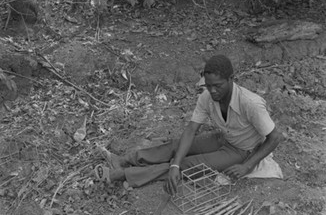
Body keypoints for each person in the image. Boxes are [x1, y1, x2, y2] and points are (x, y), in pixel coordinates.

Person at [94, 55, 283, 196]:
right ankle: (126, 160)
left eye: (218, 85)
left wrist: (247, 166)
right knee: (175, 146)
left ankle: (124, 174)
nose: (213, 90)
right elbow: (191, 130)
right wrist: (174, 163)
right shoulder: (207, 97)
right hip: (223, 138)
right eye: (209, 86)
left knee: (187, 164)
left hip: (242, 151)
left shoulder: (251, 103)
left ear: (231, 79)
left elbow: (275, 137)